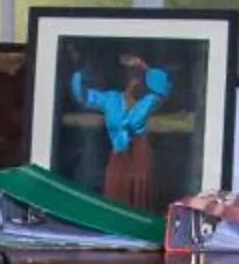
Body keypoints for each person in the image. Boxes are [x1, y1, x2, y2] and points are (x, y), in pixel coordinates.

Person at [70, 52, 168, 209]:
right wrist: (85, 69)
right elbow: (82, 95)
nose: (135, 77)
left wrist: (145, 66)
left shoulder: (151, 99)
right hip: (117, 158)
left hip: (141, 160)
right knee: (114, 200)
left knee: (139, 202)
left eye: (138, 72)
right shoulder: (111, 99)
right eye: (130, 72)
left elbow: (163, 87)